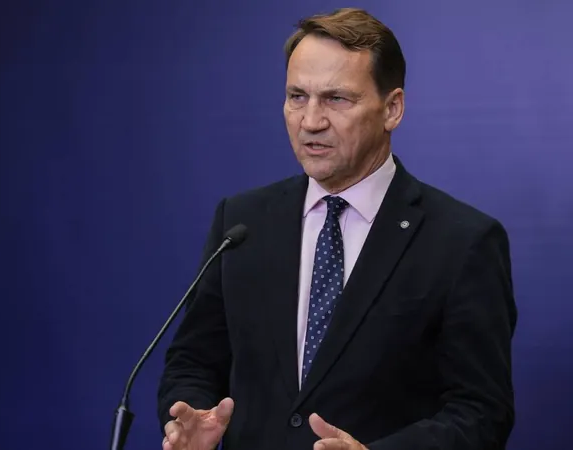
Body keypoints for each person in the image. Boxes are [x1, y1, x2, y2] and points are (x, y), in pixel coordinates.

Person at [157, 7, 517, 450]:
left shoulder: (463, 241)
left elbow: (481, 412)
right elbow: (193, 360)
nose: (310, 121)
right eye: (297, 96)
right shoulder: (242, 221)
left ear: (392, 109)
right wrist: (191, 417)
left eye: (336, 99)